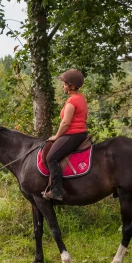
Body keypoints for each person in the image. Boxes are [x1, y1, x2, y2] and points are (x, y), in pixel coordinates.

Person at [42, 69, 88, 201]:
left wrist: (56, 136)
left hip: (73, 134)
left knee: (51, 158)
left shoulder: (72, 102)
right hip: (80, 133)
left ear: (72, 86)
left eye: (64, 83)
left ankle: (57, 191)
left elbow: (65, 123)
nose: (62, 85)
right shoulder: (80, 98)